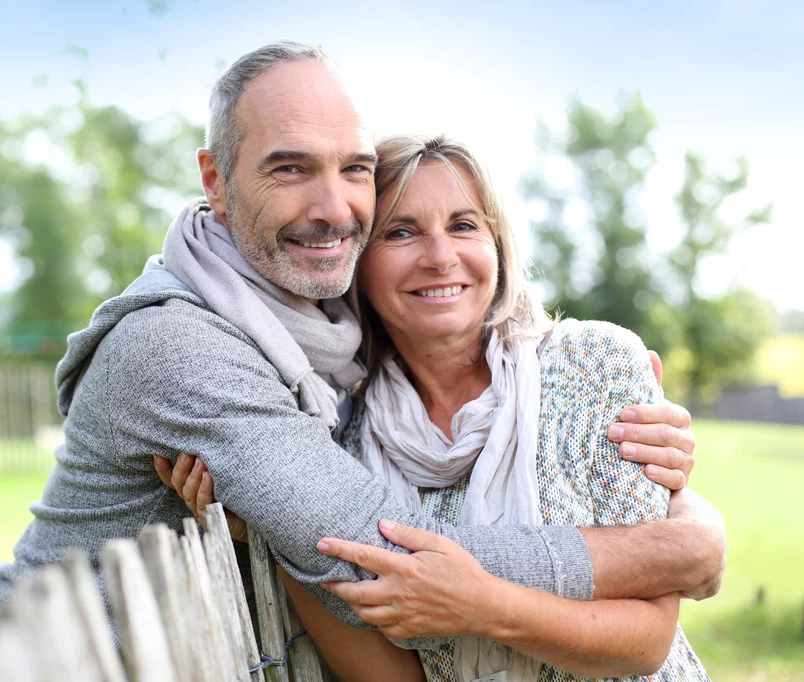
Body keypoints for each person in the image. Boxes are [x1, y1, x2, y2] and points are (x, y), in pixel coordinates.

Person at [0, 42, 722, 682]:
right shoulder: (181, 346)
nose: (334, 208)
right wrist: (674, 549)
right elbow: (377, 549)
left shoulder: (324, 348)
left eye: (355, 170)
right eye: (290, 167)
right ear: (215, 181)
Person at [166, 134, 715, 681]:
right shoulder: (344, 440)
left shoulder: (595, 365)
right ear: (357, 261)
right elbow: (396, 677)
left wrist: (484, 604)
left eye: (463, 225)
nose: (439, 257)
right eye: (401, 232)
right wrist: (270, 523)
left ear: (497, 243)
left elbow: (645, 643)